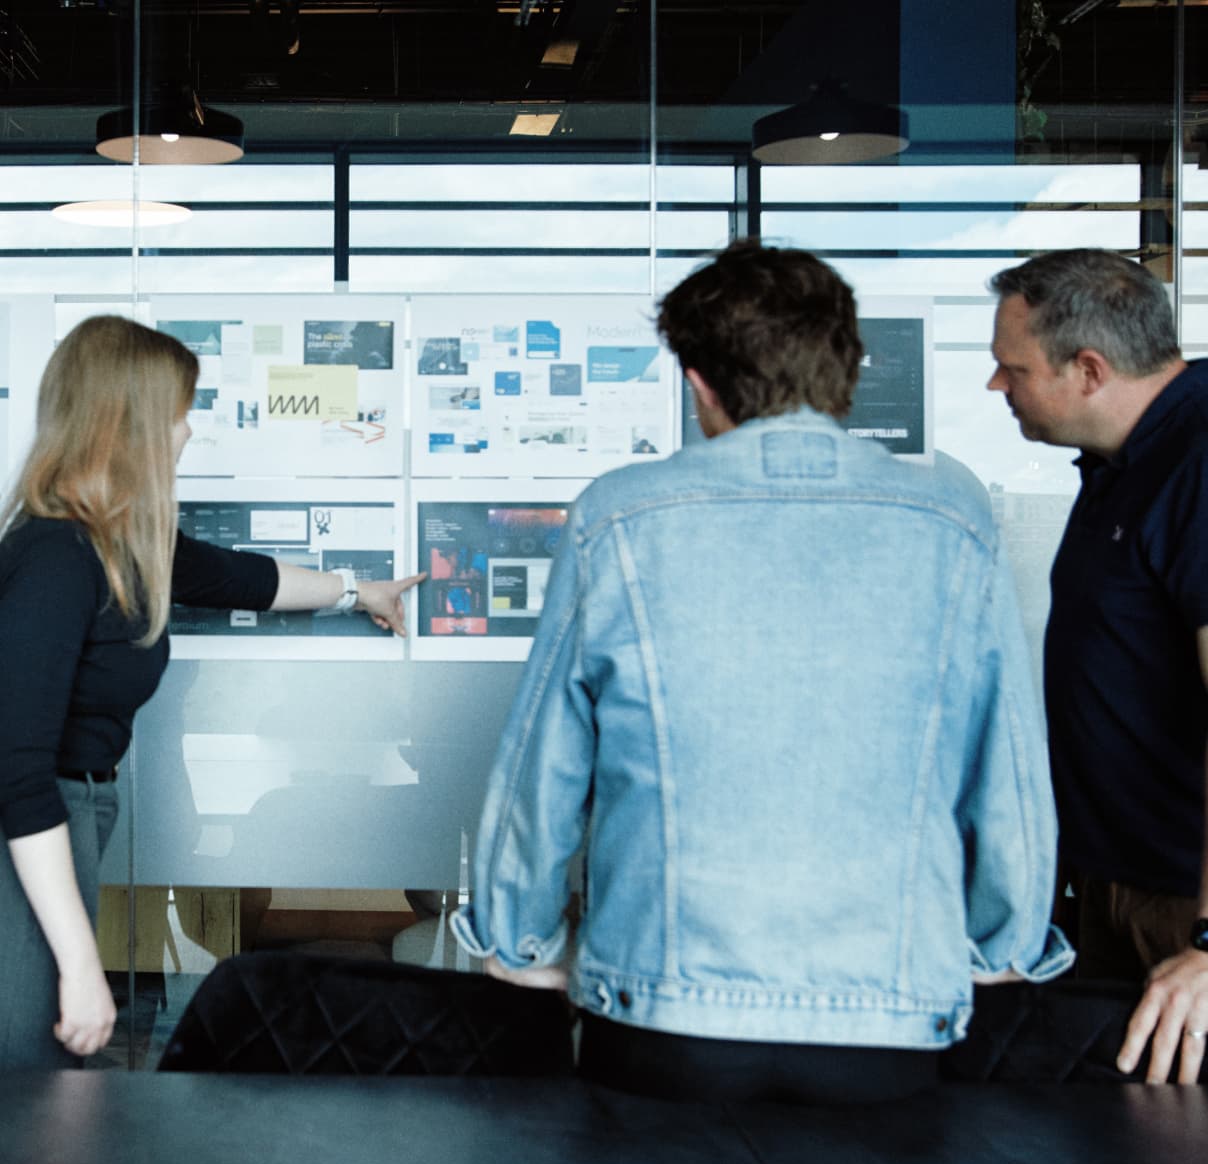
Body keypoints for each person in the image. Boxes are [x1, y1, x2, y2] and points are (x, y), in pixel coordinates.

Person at [451, 239, 1072, 1105]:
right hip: (889, 1015)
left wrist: (518, 939)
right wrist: (1002, 947)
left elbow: (544, 763)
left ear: (698, 381)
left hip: (662, 1009)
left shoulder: (622, 517)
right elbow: (1007, 766)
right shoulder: (951, 523)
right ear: (848, 370)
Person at [0, 315, 425, 1071]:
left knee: (47, 1070)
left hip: (76, 812)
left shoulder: (120, 541)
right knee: (31, 1070)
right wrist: (80, 965)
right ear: (128, 421)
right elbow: (15, 771)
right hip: (35, 828)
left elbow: (240, 577)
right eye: (179, 411)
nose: (189, 432)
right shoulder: (57, 554)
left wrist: (362, 591)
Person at [987, 248, 1208, 1086]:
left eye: (1013, 370)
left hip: (1181, 911)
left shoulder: (1198, 458)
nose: (996, 388)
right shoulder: (1125, 462)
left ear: (1089, 369)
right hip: (1114, 888)